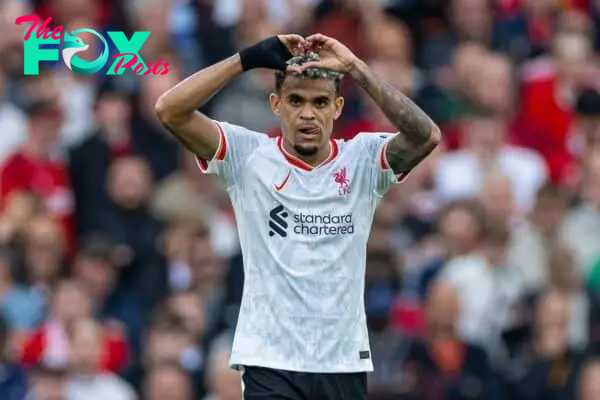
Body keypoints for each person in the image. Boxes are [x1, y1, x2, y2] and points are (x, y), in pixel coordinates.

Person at [155, 33, 440, 400]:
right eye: (296, 100)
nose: (308, 113)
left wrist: (357, 68)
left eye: (320, 102)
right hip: (269, 359)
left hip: (341, 362)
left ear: (337, 107)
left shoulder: (363, 160)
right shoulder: (248, 157)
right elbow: (169, 109)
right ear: (276, 104)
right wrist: (245, 59)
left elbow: (426, 136)